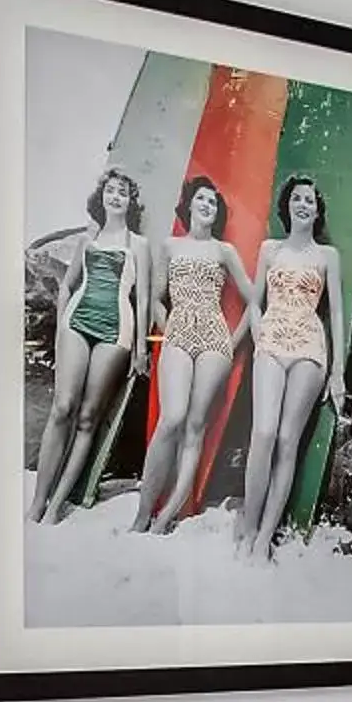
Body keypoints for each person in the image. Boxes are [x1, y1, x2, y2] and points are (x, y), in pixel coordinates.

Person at [131, 175, 259, 533]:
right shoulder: (170, 246)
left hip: (214, 338)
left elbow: (253, 300)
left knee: (194, 426)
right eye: (201, 199)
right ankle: (143, 513)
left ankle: (168, 515)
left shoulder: (224, 251)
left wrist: (231, 343)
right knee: (171, 418)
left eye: (212, 202)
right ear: (189, 205)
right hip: (179, 331)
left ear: (216, 212)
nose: (206, 205)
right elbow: (157, 297)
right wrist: (167, 324)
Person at [234, 172, 349, 562]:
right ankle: (248, 530)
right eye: (297, 198)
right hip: (272, 339)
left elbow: (335, 313)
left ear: (317, 212)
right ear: (288, 206)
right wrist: (259, 330)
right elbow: (253, 301)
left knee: (287, 440)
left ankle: (265, 537)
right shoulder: (270, 248)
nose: (304, 204)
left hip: (308, 345)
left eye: (310, 201)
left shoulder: (327, 256)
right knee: (263, 432)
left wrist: (337, 372)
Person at [24, 167, 148, 524]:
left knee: (89, 417)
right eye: (111, 191)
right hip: (78, 321)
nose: (116, 197)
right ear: (101, 197)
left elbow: (140, 301)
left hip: (116, 329)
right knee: (62, 407)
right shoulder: (87, 240)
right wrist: (63, 323)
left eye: (123, 192)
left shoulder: (138, 245)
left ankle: (58, 504)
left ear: (130, 200)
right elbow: (67, 286)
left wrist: (139, 348)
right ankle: (38, 503)